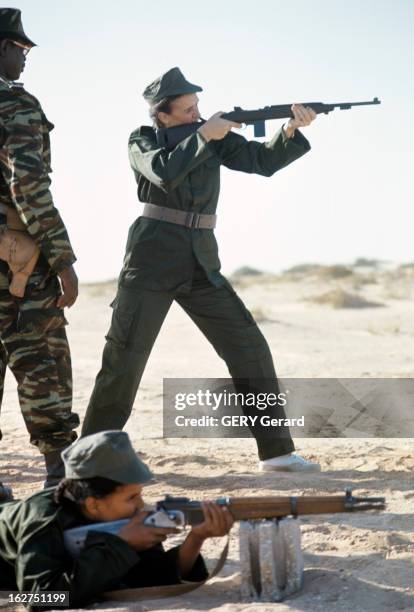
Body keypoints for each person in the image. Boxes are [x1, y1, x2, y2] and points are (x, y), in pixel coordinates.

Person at [82, 67, 320, 473]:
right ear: (164, 115)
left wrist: (290, 131)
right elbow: (163, 172)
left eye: (198, 108)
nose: (197, 114)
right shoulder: (141, 139)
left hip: (201, 262)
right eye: (188, 109)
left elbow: (261, 161)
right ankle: (89, 460)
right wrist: (203, 135)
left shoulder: (215, 138)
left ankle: (277, 452)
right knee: (124, 359)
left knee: (249, 347)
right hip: (151, 258)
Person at [0, 431, 233, 607]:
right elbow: (39, 598)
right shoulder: (42, 519)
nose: (141, 506)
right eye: (132, 497)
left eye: (140, 494)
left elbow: (151, 576)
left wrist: (196, 538)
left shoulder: (124, 518)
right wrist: (121, 545)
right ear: (93, 503)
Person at [0, 8, 79, 487]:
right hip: (16, 264)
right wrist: (62, 257)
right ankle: (59, 480)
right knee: (41, 361)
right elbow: (27, 186)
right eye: (20, 49)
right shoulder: (15, 105)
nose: (25, 58)